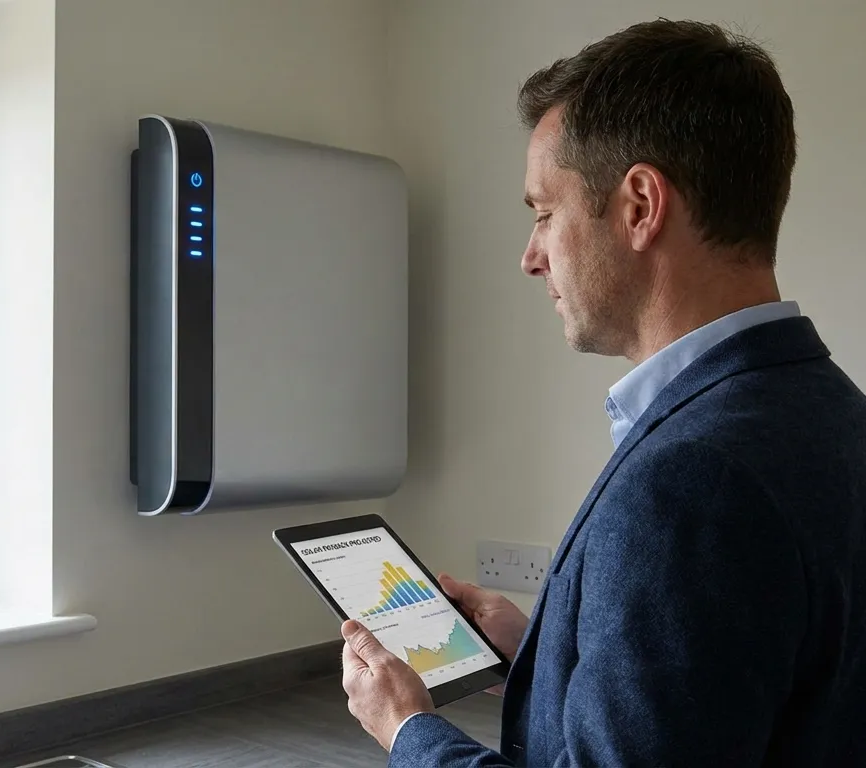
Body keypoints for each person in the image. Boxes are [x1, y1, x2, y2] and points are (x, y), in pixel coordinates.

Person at [340, 18, 866, 767]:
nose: (530, 257)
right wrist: (545, 646)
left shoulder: (692, 481)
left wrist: (407, 729)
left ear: (641, 206)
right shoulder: (831, 411)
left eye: (545, 214)